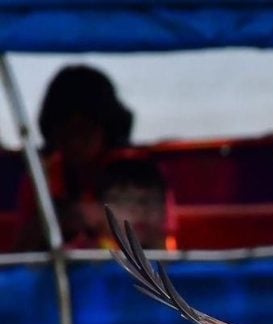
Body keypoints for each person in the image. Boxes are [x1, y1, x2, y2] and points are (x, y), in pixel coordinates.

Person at [14, 64, 133, 251]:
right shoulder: (40, 178)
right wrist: (52, 223)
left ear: (107, 127)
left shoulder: (137, 173)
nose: (75, 142)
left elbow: (154, 239)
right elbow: (20, 253)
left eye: (84, 130)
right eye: (65, 131)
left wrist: (103, 219)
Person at [97, 155, 177, 250]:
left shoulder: (193, 262)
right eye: (124, 201)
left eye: (147, 201)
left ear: (164, 209)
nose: (139, 210)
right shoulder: (79, 262)